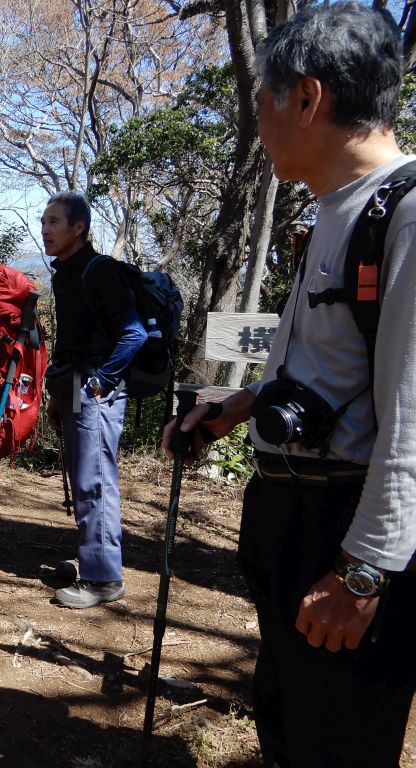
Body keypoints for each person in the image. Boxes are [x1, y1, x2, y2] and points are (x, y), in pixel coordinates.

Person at [163, 5, 416, 765]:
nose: (260, 120)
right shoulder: (330, 211)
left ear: (307, 98)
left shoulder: (404, 215)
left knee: (337, 741)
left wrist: (362, 572)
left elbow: (413, 421)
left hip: (346, 527)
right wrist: (234, 408)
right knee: (287, 716)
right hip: (288, 512)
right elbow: (317, 361)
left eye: (263, 100)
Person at [41, 192, 146, 609]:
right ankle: (92, 561)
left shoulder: (100, 271)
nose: (45, 229)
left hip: (95, 392)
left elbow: (133, 333)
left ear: (78, 228)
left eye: (54, 222)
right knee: (84, 478)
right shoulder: (65, 272)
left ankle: (103, 579)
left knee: (95, 482)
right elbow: (71, 341)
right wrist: (57, 394)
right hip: (74, 388)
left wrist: (100, 382)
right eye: (43, 221)